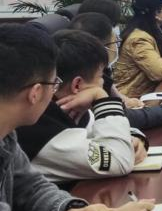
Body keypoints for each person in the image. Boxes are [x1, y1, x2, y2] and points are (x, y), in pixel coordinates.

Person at [0, 24, 155, 211]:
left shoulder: (7, 132)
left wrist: (70, 209)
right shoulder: (30, 128)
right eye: (54, 83)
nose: (55, 93)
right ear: (35, 93)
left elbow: (30, 188)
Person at [16, 30, 148, 184]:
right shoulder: (41, 125)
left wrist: (137, 139)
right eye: (100, 76)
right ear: (77, 84)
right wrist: (101, 96)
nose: (102, 83)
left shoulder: (70, 108)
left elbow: (109, 133)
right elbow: (119, 161)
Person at [70, 12, 162, 130]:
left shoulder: (97, 71)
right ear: (101, 47)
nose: (118, 46)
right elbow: (116, 119)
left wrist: (126, 101)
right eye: (116, 42)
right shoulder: (87, 80)